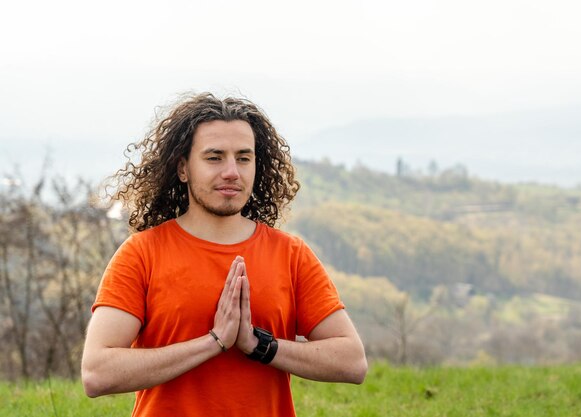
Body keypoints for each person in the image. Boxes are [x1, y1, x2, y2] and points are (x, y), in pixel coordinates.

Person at [81, 92, 368, 417]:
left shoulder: (291, 254)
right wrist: (214, 341)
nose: (232, 171)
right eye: (214, 157)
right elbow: (97, 373)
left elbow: (352, 362)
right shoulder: (142, 253)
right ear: (183, 168)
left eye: (244, 158)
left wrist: (259, 345)